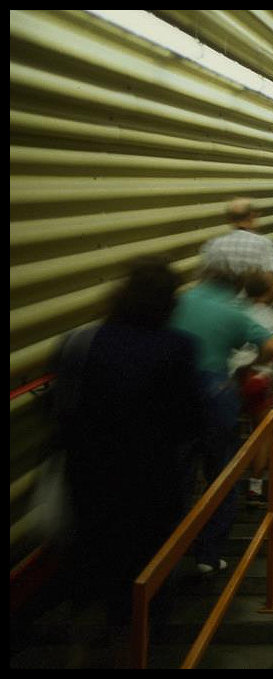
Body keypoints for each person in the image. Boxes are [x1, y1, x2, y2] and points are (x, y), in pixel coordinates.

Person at [50, 258, 204, 660]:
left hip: (86, 480)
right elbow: (190, 421)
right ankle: (138, 645)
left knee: (95, 560)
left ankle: (89, 637)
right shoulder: (176, 348)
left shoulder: (76, 343)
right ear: (168, 303)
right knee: (148, 571)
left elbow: (60, 413)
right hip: (151, 483)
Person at [170, 259, 273, 575]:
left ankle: (169, 556)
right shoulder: (233, 311)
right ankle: (208, 555)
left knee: (178, 475)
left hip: (176, 393)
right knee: (221, 475)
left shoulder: (178, 301)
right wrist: (249, 368)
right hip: (215, 393)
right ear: (232, 286)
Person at [230, 270, 273, 505]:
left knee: (230, 431)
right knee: (263, 433)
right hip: (259, 379)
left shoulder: (235, 311)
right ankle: (255, 486)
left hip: (231, 379)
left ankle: (222, 484)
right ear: (268, 292)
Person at [202, 197, 273, 295]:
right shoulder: (264, 244)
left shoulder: (214, 245)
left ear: (229, 219)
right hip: (252, 306)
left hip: (223, 306)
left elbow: (206, 282)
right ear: (252, 216)